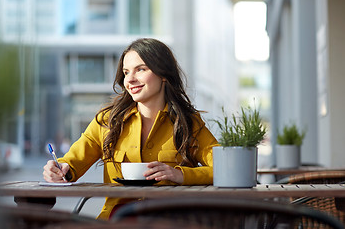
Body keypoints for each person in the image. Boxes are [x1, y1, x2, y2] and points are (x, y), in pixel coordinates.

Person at [43, 38, 218, 220]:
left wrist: (180, 175)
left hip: (170, 219)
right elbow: (71, 164)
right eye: (126, 72)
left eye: (141, 69)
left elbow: (223, 168)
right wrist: (59, 169)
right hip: (118, 220)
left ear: (163, 74)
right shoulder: (106, 121)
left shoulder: (188, 123)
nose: (131, 79)